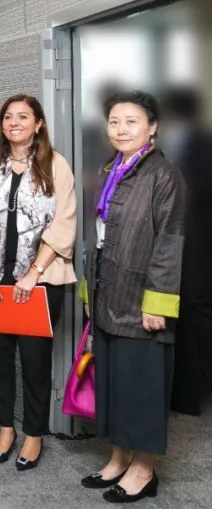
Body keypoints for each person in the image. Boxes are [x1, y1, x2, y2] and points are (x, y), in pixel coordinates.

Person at [0, 94, 77, 471]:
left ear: (38, 124)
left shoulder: (56, 165)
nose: (14, 122)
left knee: (35, 362)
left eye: (23, 116)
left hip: (40, 281)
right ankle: (6, 428)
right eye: (8, 117)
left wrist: (34, 272)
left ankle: (34, 434)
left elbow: (64, 222)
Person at [79, 91, 186, 503]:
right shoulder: (111, 168)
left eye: (132, 121)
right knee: (116, 385)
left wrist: (157, 303)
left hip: (142, 302)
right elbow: (96, 238)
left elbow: (170, 241)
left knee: (142, 389)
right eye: (114, 121)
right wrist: (89, 290)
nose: (121, 129)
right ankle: (119, 457)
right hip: (108, 293)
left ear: (152, 127)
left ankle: (144, 470)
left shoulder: (163, 175)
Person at [160, 87, 211, 416]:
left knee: (197, 311)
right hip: (175, 243)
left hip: (199, 244)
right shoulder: (163, 145)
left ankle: (200, 389)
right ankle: (185, 392)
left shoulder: (203, 146)